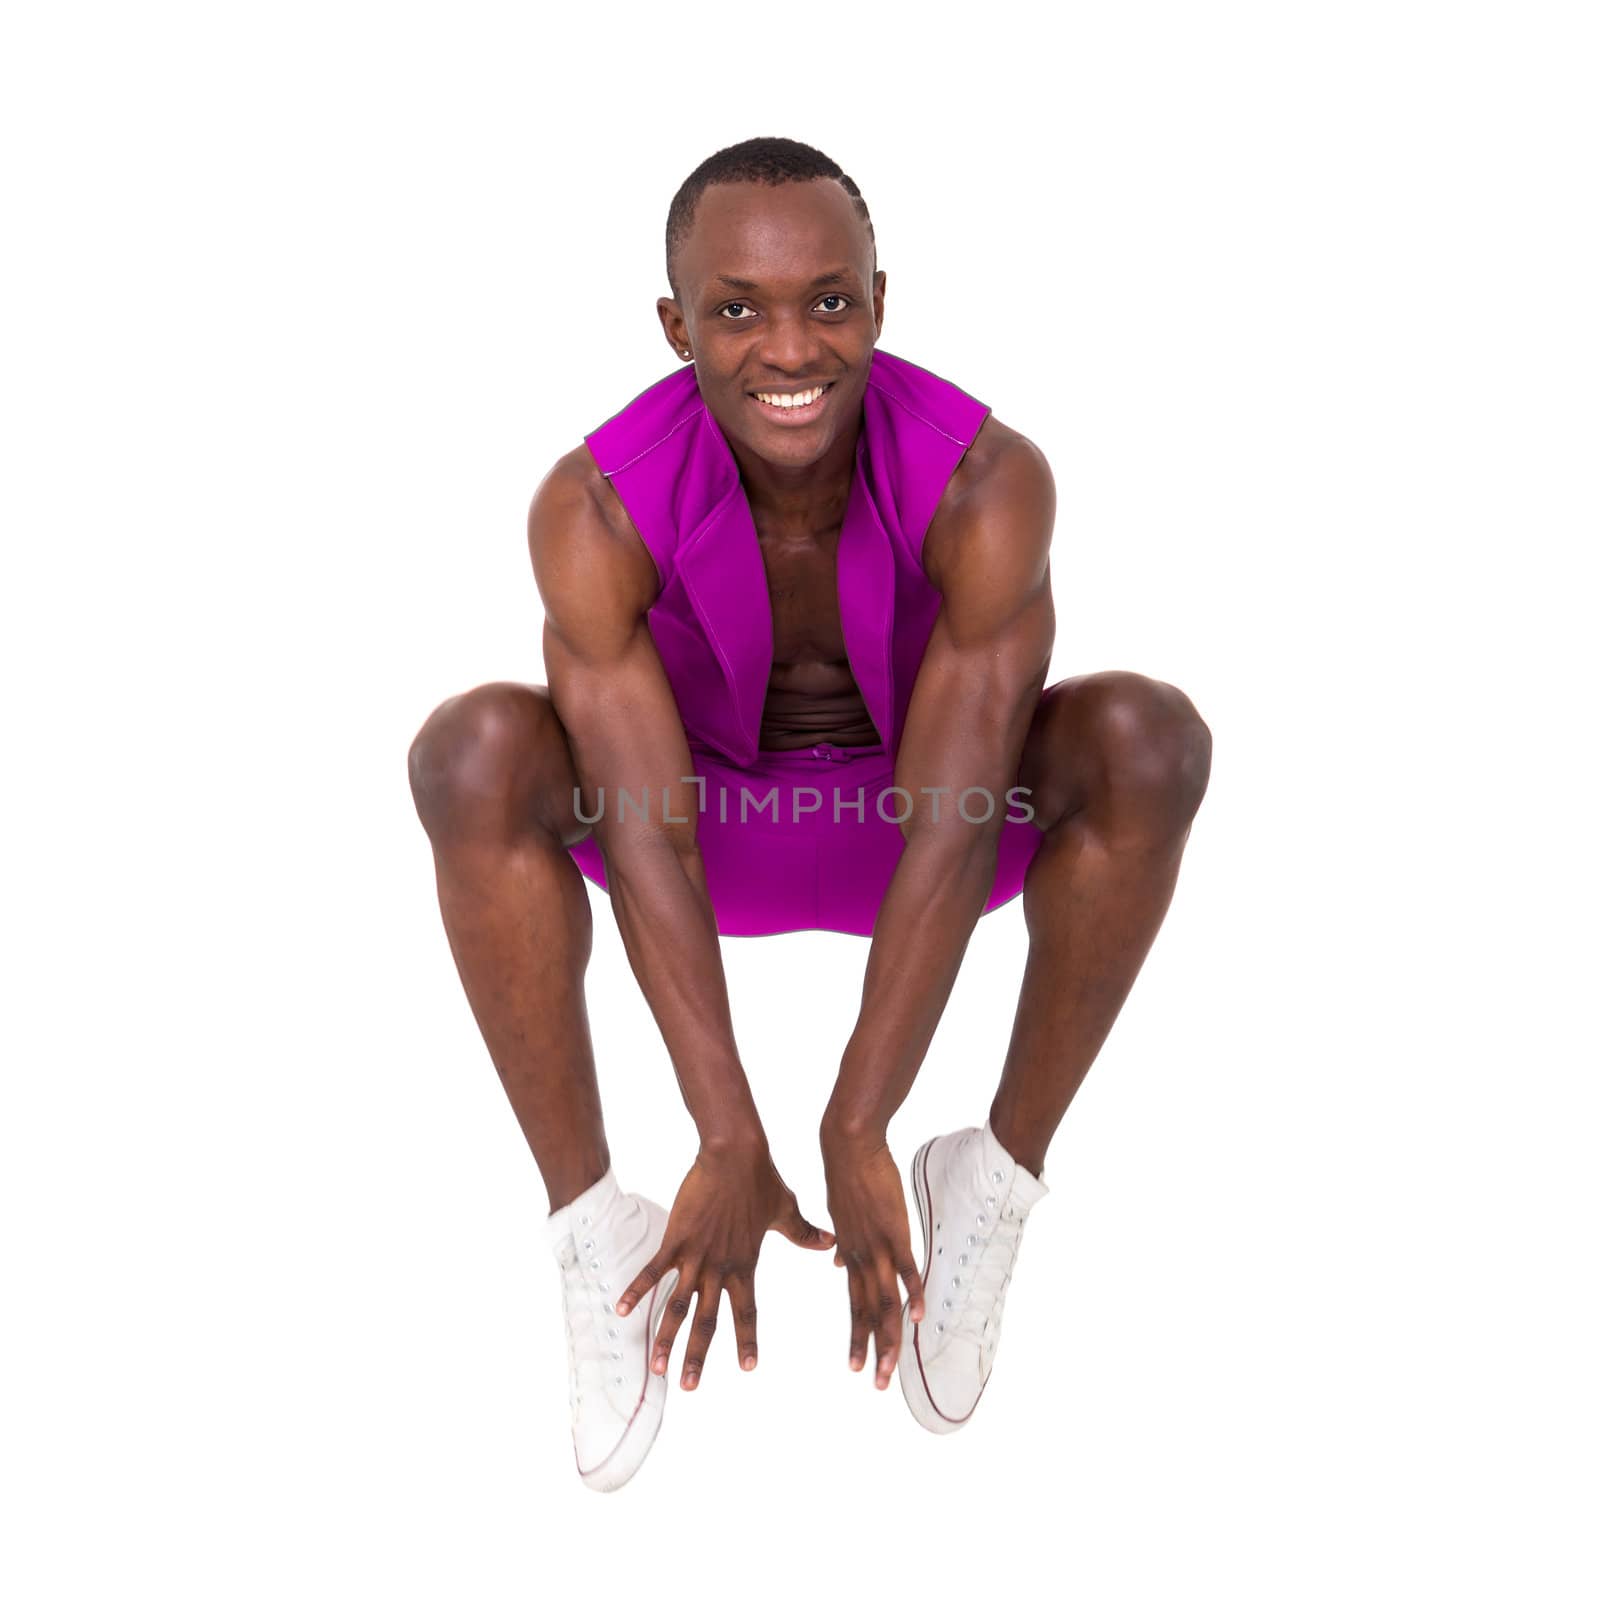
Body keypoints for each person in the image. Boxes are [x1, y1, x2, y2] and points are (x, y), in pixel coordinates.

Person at [407, 137, 1212, 1491]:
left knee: (1148, 737)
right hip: (697, 830)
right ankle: (595, 1227)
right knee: (471, 751)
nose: (790, 349)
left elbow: (959, 821)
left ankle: (993, 1182)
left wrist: (858, 1123)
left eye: (827, 302)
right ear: (677, 327)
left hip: (934, 816)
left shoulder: (989, 483)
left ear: (881, 300)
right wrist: (725, 1130)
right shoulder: (594, 506)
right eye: (738, 311)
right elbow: (647, 829)